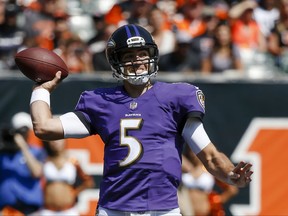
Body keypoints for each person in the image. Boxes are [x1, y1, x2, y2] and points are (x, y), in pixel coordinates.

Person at [28, 24, 253, 215]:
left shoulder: (177, 98)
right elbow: (43, 127)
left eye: (142, 54)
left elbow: (211, 157)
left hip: (163, 209)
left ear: (152, 55)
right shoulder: (101, 101)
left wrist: (231, 175)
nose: (138, 61)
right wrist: (42, 89)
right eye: (129, 56)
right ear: (117, 62)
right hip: (114, 209)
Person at [28, 139, 95, 216]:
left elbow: (89, 182)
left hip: (69, 211)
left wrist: (74, 193)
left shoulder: (73, 160)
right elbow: (35, 173)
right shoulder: (44, 159)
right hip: (48, 211)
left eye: (59, 139)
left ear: (65, 140)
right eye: (52, 139)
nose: (55, 142)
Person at [0, 112, 46, 215]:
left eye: (23, 131)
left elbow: (37, 172)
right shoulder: (4, 154)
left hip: (29, 210)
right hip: (6, 210)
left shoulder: (36, 151)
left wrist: (23, 147)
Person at [179, 147, 239, 216]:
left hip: (205, 212)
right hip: (184, 211)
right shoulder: (183, 168)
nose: (193, 154)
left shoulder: (210, 169)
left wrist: (215, 201)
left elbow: (232, 190)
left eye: (195, 151)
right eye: (191, 151)